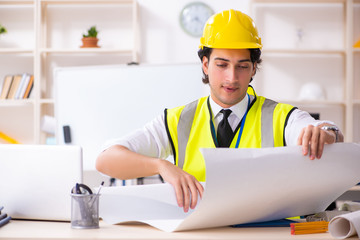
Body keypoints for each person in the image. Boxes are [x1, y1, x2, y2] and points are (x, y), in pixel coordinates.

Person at [96, 9, 344, 213]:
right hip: (198, 231)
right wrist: (161, 166)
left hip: (265, 233)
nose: (232, 77)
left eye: (242, 66)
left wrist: (326, 132)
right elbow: (106, 159)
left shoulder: (281, 116)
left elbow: (323, 130)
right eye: (222, 65)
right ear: (205, 64)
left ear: (254, 69)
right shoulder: (177, 120)